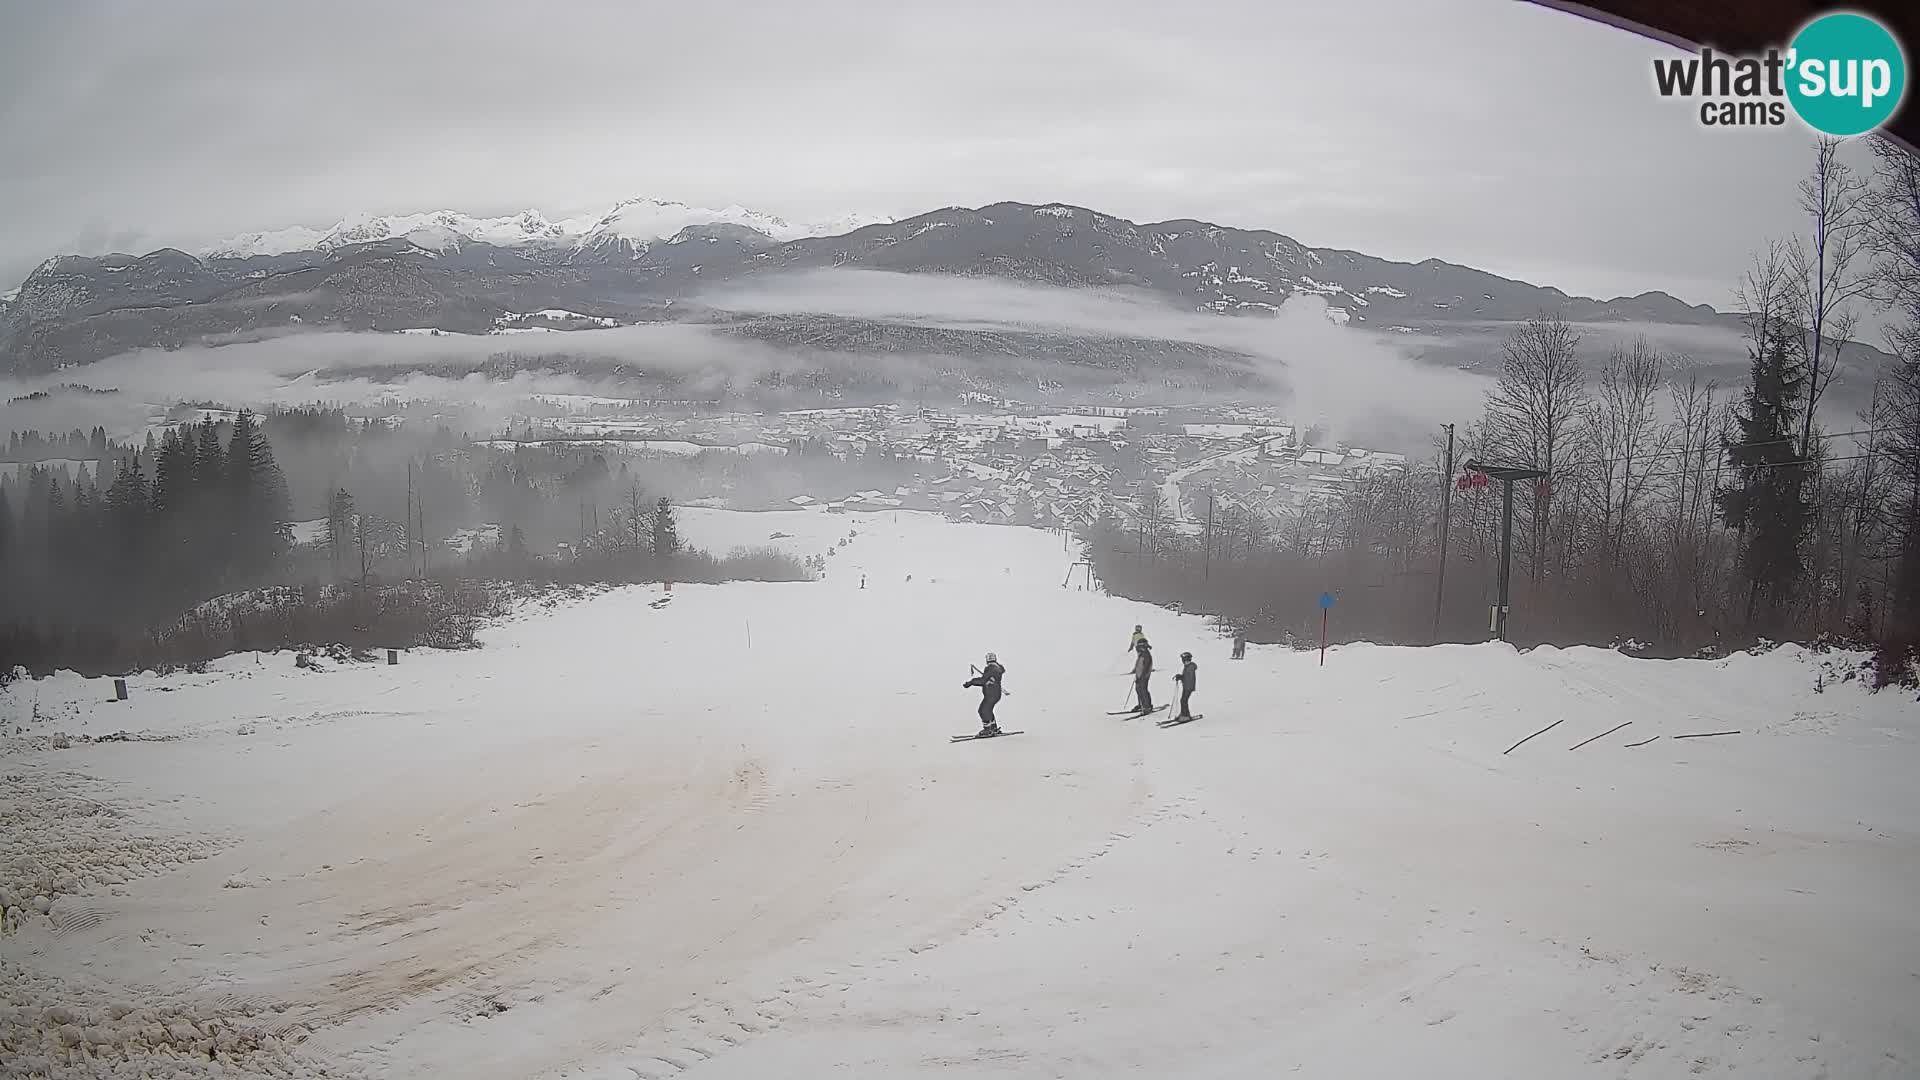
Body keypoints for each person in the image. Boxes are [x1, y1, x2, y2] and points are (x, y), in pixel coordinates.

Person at [963, 652, 1006, 736]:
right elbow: (987, 679)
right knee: (988, 710)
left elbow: (983, 680)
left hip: (991, 694)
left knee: (983, 710)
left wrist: (971, 682)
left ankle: (987, 730)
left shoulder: (991, 668)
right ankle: (993, 728)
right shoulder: (997, 668)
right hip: (995, 694)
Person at [1131, 638, 1154, 714]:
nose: (1139, 648)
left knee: (1143, 690)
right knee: (1139, 689)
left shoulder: (1146, 655)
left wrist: (1141, 677)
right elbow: (1139, 665)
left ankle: (1147, 706)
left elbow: (1146, 667)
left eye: (1141, 646)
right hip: (1140, 676)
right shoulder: (1142, 654)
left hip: (1143, 677)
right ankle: (1143, 704)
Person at [1173, 651, 1198, 719]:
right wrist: (1180, 676)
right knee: (1183, 700)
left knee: (1183, 701)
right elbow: (1186, 676)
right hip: (1186, 686)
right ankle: (1184, 713)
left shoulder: (1190, 667)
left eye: (1184, 660)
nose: (1183, 661)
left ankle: (1185, 715)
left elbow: (1188, 678)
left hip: (1189, 687)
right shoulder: (1188, 666)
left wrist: (1181, 677)